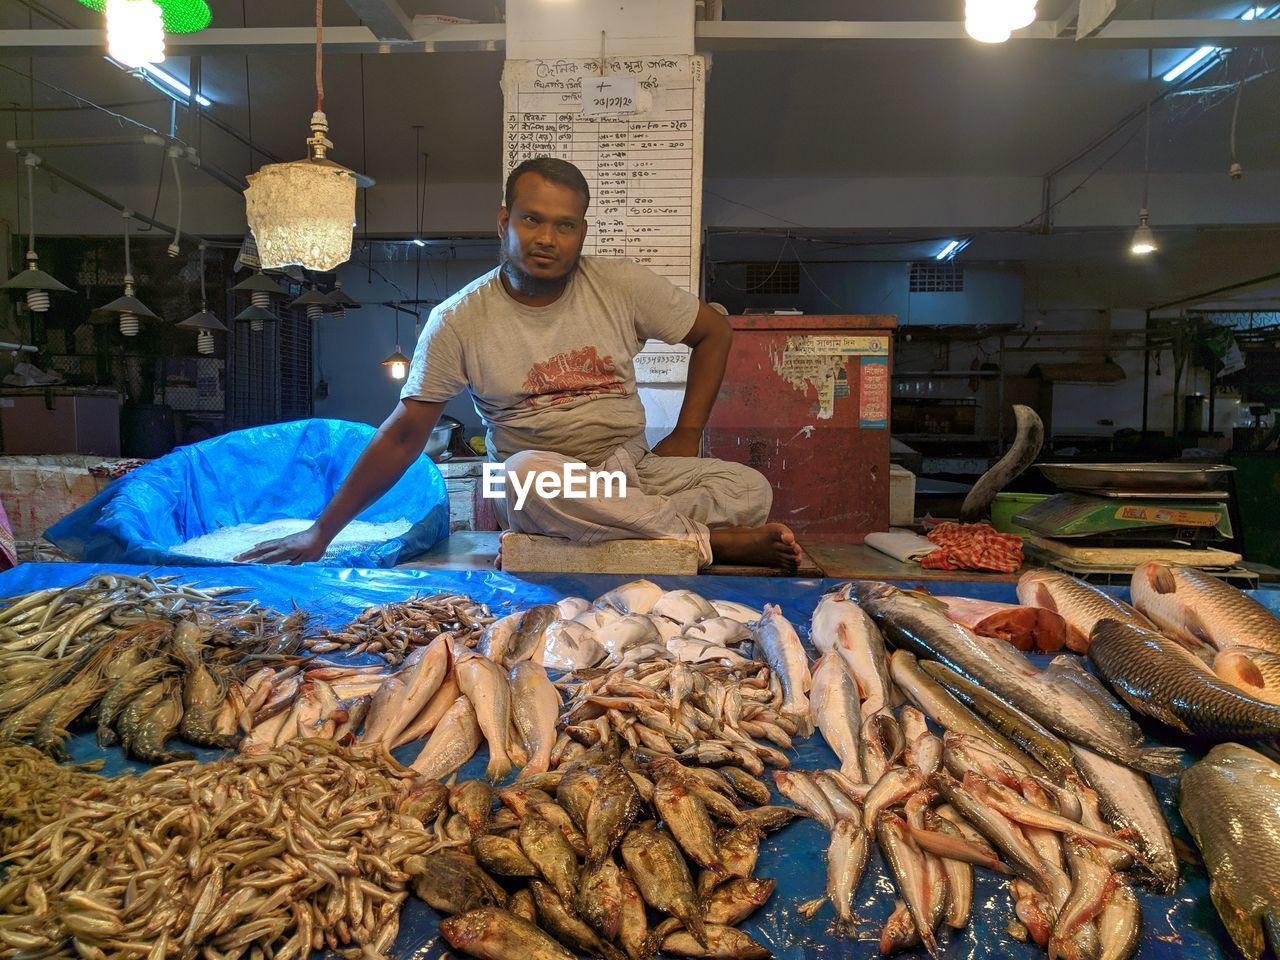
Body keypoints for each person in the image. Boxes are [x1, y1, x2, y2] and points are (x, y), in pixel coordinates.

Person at [238, 156, 801, 571]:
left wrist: (687, 433)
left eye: (566, 225)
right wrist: (321, 533)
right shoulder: (460, 318)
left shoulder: (622, 286)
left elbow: (713, 331)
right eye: (532, 220)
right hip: (541, 482)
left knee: (747, 487)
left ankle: (631, 527)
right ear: (503, 221)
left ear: (582, 231)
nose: (548, 239)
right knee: (524, 474)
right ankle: (707, 544)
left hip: (629, 468)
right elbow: (406, 431)